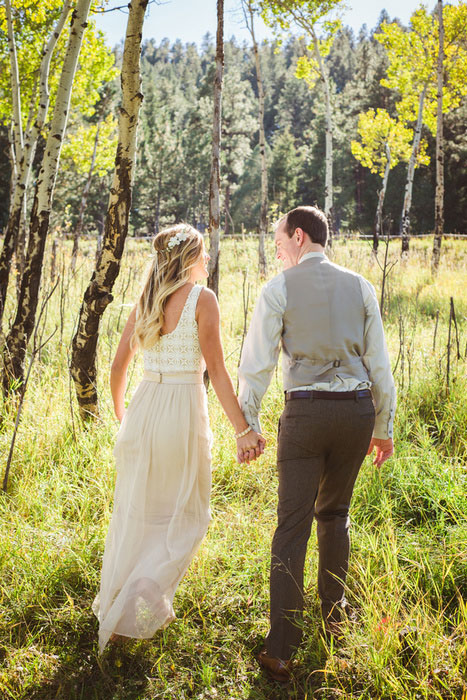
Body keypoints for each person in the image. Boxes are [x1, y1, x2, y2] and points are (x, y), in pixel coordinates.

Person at [238, 206, 396, 682]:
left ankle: (281, 649)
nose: (279, 251)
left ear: (300, 237)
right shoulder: (362, 286)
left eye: (280, 242)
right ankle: (334, 619)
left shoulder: (279, 288)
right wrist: (383, 427)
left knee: (292, 527)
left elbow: (256, 364)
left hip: (304, 414)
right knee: (334, 515)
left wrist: (248, 424)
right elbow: (380, 365)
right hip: (356, 413)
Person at [93, 224, 265, 654]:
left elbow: (117, 369)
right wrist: (242, 429)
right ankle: (136, 603)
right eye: (204, 254)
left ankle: (129, 604)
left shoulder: (147, 300)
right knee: (189, 517)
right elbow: (218, 371)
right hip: (181, 412)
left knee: (139, 515)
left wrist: (123, 420)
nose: (208, 262)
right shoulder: (202, 300)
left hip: (144, 408)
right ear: (189, 258)